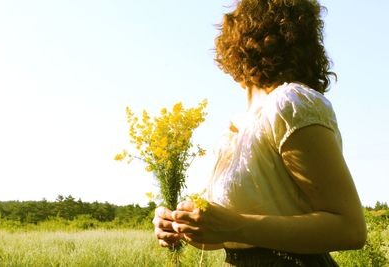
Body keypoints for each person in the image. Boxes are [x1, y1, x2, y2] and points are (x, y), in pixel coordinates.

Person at [152, 0, 367, 266]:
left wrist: (236, 226)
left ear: (243, 39)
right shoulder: (236, 129)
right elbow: (229, 237)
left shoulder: (289, 103)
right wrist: (185, 227)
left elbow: (350, 229)